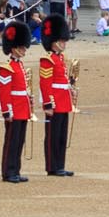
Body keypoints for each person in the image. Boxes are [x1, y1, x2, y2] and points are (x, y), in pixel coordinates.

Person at [0, 19, 33, 183]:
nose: (24, 50)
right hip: (14, 109)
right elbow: (4, 92)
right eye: (21, 47)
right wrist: (7, 110)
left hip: (22, 108)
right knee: (11, 141)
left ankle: (15, 170)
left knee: (19, 141)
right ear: (14, 48)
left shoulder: (19, 65)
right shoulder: (7, 67)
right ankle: (7, 171)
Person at [38, 14, 76, 175]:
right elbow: (45, 84)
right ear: (54, 42)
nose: (64, 43)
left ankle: (60, 165)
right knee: (52, 136)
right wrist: (48, 103)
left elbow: (63, 80)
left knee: (61, 136)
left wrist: (71, 88)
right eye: (61, 40)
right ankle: (52, 166)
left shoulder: (60, 58)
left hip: (64, 101)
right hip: (54, 102)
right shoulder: (48, 60)